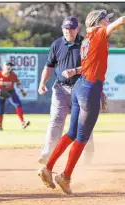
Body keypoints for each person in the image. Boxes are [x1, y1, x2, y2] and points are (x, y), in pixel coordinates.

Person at [38, 10, 125, 194]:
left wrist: (78, 75)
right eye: (105, 19)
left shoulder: (86, 40)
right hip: (89, 89)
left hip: (80, 86)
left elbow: (86, 66)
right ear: (97, 22)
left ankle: (48, 168)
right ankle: (65, 177)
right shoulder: (100, 34)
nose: (107, 21)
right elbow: (122, 20)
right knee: (82, 137)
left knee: (71, 132)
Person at [37, 16, 100, 165]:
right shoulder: (57, 44)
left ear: (77, 29)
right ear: (62, 28)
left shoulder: (86, 43)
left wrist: (75, 71)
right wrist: (42, 83)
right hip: (61, 88)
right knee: (55, 120)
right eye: (66, 28)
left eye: (72, 29)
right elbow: (49, 65)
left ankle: (88, 153)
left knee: (84, 124)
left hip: (81, 89)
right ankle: (48, 153)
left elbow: (92, 67)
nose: (68, 31)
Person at [0, 62, 30, 131]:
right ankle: (0, 126)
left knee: (18, 104)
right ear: (3, 67)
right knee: (0, 110)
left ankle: (23, 122)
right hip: (0, 92)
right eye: (7, 65)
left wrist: (22, 91)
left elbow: (18, 83)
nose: (9, 67)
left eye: (10, 66)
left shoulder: (13, 75)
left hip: (11, 91)